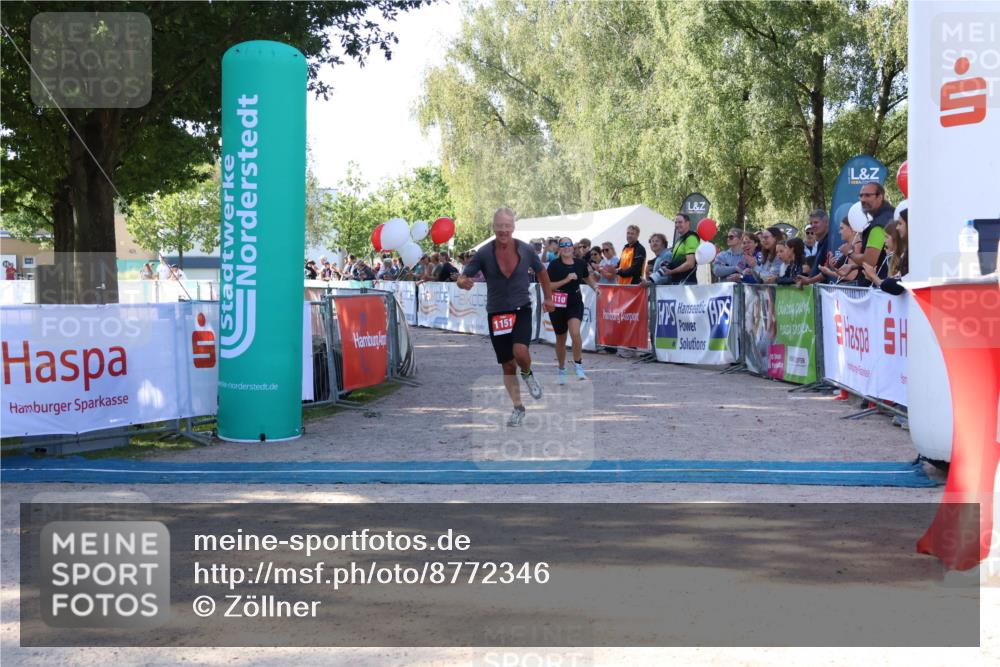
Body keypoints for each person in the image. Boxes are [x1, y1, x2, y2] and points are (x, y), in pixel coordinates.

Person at [458, 207, 554, 427]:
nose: (503, 230)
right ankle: (518, 407)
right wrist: (462, 282)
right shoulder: (483, 252)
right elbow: (464, 277)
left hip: (521, 308)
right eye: (499, 226)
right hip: (496, 312)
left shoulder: (526, 250)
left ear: (513, 227)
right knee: (508, 365)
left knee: (520, 351)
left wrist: (548, 298)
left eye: (507, 226)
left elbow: (542, 272)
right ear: (494, 227)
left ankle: (528, 373)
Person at [547, 236, 599, 384]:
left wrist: (595, 287)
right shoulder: (554, 265)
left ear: (572, 247)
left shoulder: (580, 263)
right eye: (563, 245)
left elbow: (587, 277)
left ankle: (578, 367)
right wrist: (566, 280)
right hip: (557, 304)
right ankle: (562, 369)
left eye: (568, 244)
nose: (566, 247)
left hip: (574, 302)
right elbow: (548, 286)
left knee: (575, 333)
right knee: (560, 339)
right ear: (559, 248)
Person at [852, 182, 894, 287]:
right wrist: (853, 267)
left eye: (867, 195)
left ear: (880, 197)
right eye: (861, 195)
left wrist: (849, 253)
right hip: (885, 287)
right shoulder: (890, 214)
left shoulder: (879, 224)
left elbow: (869, 261)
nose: (862, 200)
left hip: (879, 290)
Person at [863, 218, 907, 295]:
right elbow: (888, 285)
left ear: (895, 239)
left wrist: (874, 277)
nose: (884, 241)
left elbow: (896, 286)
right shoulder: (891, 258)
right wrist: (873, 278)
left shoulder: (903, 259)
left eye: (886, 237)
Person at [658, 214, 699, 284]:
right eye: (675, 222)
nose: (677, 225)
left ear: (687, 223)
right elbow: (677, 261)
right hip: (677, 282)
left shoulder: (691, 238)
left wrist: (672, 271)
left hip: (686, 283)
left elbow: (690, 264)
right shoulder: (679, 240)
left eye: (680, 222)